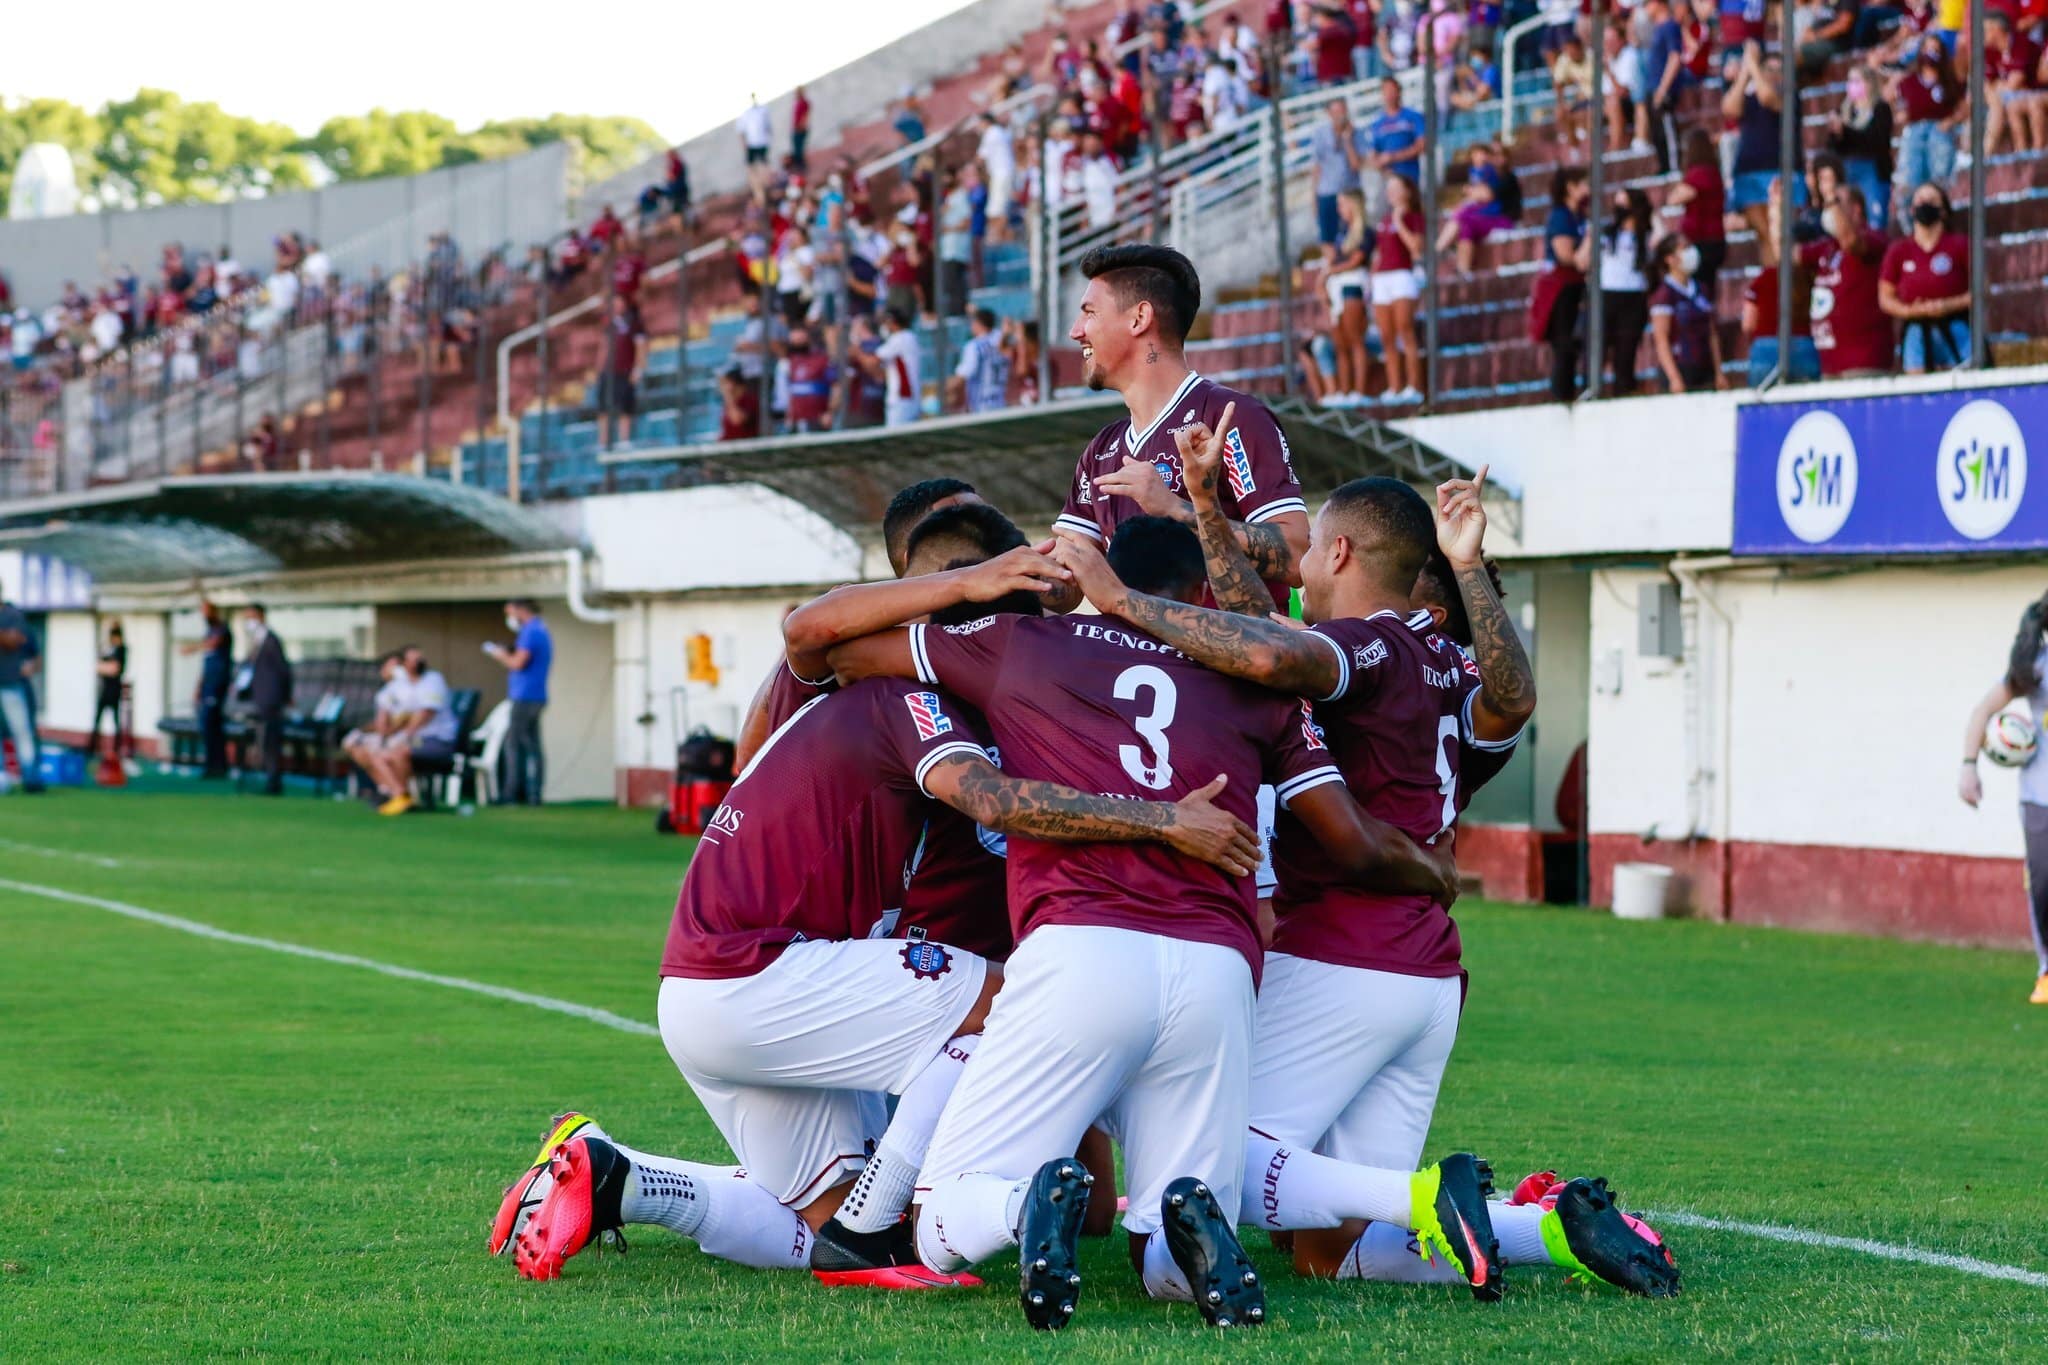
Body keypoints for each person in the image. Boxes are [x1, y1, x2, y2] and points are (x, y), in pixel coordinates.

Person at [508, 579, 1265, 1292]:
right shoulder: (913, 701)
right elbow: (989, 798)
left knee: (811, 1231)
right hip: (758, 971)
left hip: (713, 988)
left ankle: (619, 1177)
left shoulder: (856, 693)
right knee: (1030, 1002)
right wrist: (1167, 819)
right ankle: (889, 1228)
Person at [825, 521, 1442, 1329]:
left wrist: (961, 591)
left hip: (1082, 949)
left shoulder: (1027, 643)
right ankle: (1178, 1227)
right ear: (1199, 598)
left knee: (941, 1221)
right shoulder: (1257, 683)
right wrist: (1434, 869)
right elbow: (1347, 831)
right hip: (1219, 970)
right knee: (1165, 1242)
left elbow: (838, 644)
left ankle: (1023, 1208)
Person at [1049, 244, 1310, 613]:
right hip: (1141, 667)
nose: (1076, 332)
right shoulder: (1101, 450)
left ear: (1139, 318)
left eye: (1089, 313)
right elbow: (1066, 590)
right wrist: (1009, 568)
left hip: (1229, 665)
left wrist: (1176, 508)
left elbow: (1298, 557)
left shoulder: (1230, 418)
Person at [1959, 593, 2048, 1005]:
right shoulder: (2033, 668)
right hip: (2039, 797)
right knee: (2044, 886)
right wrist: (1968, 766)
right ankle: (2047, 972)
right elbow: (1981, 711)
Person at [1801, 184, 1893, 378]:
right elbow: (1784, 255)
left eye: (1836, 203)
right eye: (1827, 205)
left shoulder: (1873, 239)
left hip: (1864, 362)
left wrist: (1831, 199)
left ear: (1856, 208)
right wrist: (1777, 210)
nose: (1829, 209)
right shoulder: (1828, 248)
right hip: (1830, 365)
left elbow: (1851, 240)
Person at [1880, 181, 1970, 374]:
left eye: (1931, 200)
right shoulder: (1899, 250)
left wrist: (1947, 306)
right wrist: (1911, 311)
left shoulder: (1960, 244)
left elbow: (1980, 291)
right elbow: (1885, 297)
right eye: (1920, 200)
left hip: (1955, 324)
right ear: (1912, 210)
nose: (1925, 204)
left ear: (1944, 210)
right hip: (1915, 329)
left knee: (1967, 377)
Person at [1742, 177, 1821, 385]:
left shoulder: (1764, 279)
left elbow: (1748, 322)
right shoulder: (1818, 275)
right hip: (1807, 344)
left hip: (1766, 347)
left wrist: (1776, 207)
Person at [365, 647, 459, 817]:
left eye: (420, 658)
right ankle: (399, 795)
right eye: (413, 659)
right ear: (404, 664)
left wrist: (402, 736)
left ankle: (402, 796)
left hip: (437, 739)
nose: (418, 662)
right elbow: (390, 714)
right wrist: (384, 734)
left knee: (399, 752)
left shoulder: (433, 679)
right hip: (415, 739)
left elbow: (426, 713)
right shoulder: (400, 686)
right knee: (376, 754)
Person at [1723, 42, 1797, 243]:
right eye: (1769, 69)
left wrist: (1753, 65)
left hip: (1781, 171)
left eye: (1778, 70)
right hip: (1749, 173)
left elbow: (1767, 98)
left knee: (1784, 235)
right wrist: (1745, 72)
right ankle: (1771, 274)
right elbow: (1729, 108)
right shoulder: (1748, 96)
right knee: (1764, 235)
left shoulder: (1789, 95)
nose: (1773, 74)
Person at [1890, 36, 1964, 232]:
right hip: (1914, 132)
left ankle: (1941, 228)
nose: (1931, 54)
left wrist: (1951, 121)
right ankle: (1911, 232)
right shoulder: (1908, 81)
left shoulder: (1950, 81)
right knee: (1909, 183)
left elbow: (1964, 107)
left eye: (1936, 49)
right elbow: (1897, 107)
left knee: (1938, 183)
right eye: (1927, 48)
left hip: (1939, 132)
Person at [1532, 167, 1592, 404]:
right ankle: (1561, 395)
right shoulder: (1561, 216)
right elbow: (1567, 256)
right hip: (1561, 288)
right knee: (1564, 342)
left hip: (1576, 285)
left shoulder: (1580, 215)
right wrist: (1588, 241)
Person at [485, 599, 552, 806]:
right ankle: (532, 794)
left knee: (514, 745)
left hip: (525, 696)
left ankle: (512, 794)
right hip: (534, 696)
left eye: (511, 613)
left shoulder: (530, 631)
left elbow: (518, 663)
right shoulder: (541, 629)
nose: (510, 618)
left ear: (521, 611)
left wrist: (500, 655)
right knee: (531, 746)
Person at [1648, 233, 1728, 392]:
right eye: (1684, 248)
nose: (1691, 252)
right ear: (1670, 259)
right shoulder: (1664, 295)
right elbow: (1661, 339)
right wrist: (1674, 378)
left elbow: (1712, 334)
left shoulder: (1701, 289)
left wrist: (1719, 372)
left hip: (1705, 369)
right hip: (1681, 367)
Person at [1371, 175, 1425, 406]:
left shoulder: (1413, 217)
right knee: (1386, 335)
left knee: (1405, 330)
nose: (1391, 192)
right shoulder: (1383, 220)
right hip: (1382, 278)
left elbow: (1415, 247)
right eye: (1389, 188)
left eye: (1396, 188)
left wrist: (1399, 221)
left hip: (1402, 275)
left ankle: (1414, 385)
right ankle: (1394, 386)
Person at [1598, 188, 1656, 397]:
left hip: (1633, 296)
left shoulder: (1645, 235)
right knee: (1600, 347)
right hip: (1608, 293)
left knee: (1626, 350)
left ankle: (1623, 390)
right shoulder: (1607, 234)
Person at [1827, 65, 1896, 229]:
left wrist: (1846, 130)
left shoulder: (1880, 109)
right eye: (1850, 81)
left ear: (1870, 83)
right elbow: (1834, 148)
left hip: (1873, 172)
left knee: (1875, 222)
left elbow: (1876, 143)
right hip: (1848, 170)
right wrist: (1836, 134)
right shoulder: (1843, 112)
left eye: (1857, 80)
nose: (1852, 85)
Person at [1665, 130, 1729, 306]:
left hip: (1701, 240)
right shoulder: (1714, 172)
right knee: (1708, 288)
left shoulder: (1698, 173)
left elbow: (1676, 198)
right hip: (1716, 239)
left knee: (1699, 290)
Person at [1324, 190, 1374, 405]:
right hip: (1337, 287)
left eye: (1343, 204)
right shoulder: (1342, 233)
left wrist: (1331, 271)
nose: (1339, 209)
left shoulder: (1365, 232)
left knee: (1355, 340)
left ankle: (1360, 390)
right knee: (1340, 344)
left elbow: (1356, 260)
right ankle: (1344, 391)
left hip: (1353, 286)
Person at [240, 605, 293, 797]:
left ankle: (274, 780)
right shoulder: (256, 641)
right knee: (264, 738)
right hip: (261, 697)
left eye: (250, 617)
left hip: (272, 698)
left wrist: (286, 696)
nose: (248, 622)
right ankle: (269, 777)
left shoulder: (271, 641)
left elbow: (283, 670)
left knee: (271, 739)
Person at [342, 652, 409, 794]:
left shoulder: (410, 689)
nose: (393, 671)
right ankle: (385, 788)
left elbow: (406, 719)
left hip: (406, 737)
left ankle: (395, 791)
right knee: (352, 743)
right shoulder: (385, 693)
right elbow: (382, 722)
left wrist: (389, 730)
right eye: (389, 666)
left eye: (397, 666)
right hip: (388, 734)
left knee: (373, 751)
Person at [181, 599, 234, 778]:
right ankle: (214, 764)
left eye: (205, 612)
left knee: (212, 723)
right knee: (208, 725)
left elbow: (213, 644)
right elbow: (206, 664)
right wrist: (198, 687)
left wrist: (192, 648)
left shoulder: (222, 629)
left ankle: (218, 765)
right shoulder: (209, 632)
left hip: (218, 685)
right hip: (208, 685)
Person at [0, 582, 44, 793]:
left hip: (10, 684)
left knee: (22, 732)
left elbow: (15, 641)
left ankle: (31, 777)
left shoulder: (13, 616)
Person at [1312, 98, 1370, 249]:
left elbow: (1356, 165)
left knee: (1356, 235)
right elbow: (1316, 168)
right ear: (1329, 114)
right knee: (1328, 238)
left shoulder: (1356, 134)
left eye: (1343, 111)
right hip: (1327, 193)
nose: (1340, 116)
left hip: (1351, 193)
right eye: (1336, 112)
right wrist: (1314, 197)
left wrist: (1347, 140)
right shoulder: (1320, 134)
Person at [946, 308, 1012, 415]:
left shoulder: (974, 347)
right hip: (1002, 404)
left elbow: (962, 377)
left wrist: (940, 392)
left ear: (978, 324)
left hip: (982, 406)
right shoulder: (1001, 341)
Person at [600, 295, 645, 447]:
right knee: (603, 407)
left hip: (626, 370)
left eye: (619, 301)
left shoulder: (634, 322)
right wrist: (600, 367)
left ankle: (624, 440)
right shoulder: (609, 322)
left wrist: (638, 369)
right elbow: (604, 346)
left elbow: (641, 346)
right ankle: (603, 442)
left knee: (625, 407)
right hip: (609, 371)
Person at [1366, 77, 1428, 187]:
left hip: (1411, 177)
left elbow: (1422, 145)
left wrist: (1393, 157)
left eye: (1392, 90)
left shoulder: (1413, 116)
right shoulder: (1377, 124)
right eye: (1386, 91)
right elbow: (1372, 155)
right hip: (1388, 180)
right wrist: (1381, 167)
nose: (1390, 95)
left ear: (1399, 92)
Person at [90, 621, 127, 762]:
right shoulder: (108, 649)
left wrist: (105, 668)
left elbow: (114, 669)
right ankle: (93, 748)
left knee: (116, 721)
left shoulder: (122, 650)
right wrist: (105, 667)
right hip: (104, 689)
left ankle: (116, 750)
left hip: (114, 689)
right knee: (97, 719)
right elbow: (99, 667)